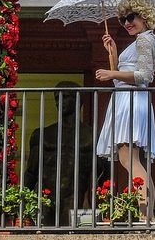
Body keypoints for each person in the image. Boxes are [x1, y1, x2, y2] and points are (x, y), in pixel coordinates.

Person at [94, 0, 155, 220]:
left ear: (144, 16)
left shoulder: (144, 41)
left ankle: (146, 217)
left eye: (130, 17)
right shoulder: (144, 41)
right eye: (123, 19)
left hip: (131, 101)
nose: (126, 23)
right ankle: (148, 216)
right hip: (131, 100)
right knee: (134, 162)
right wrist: (113, 52)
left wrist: (111, 72)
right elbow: (124, 78)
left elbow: (144, 76)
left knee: (129, 161)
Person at [24, 80, 97, 226]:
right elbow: (31, 173)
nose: (59, 101)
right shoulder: (42, 135)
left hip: (76, 202)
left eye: (65, 96)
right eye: (57, 98)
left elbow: (103, 176)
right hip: (45, 202)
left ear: (78, 100)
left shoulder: (92, 136)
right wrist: (19, 205)